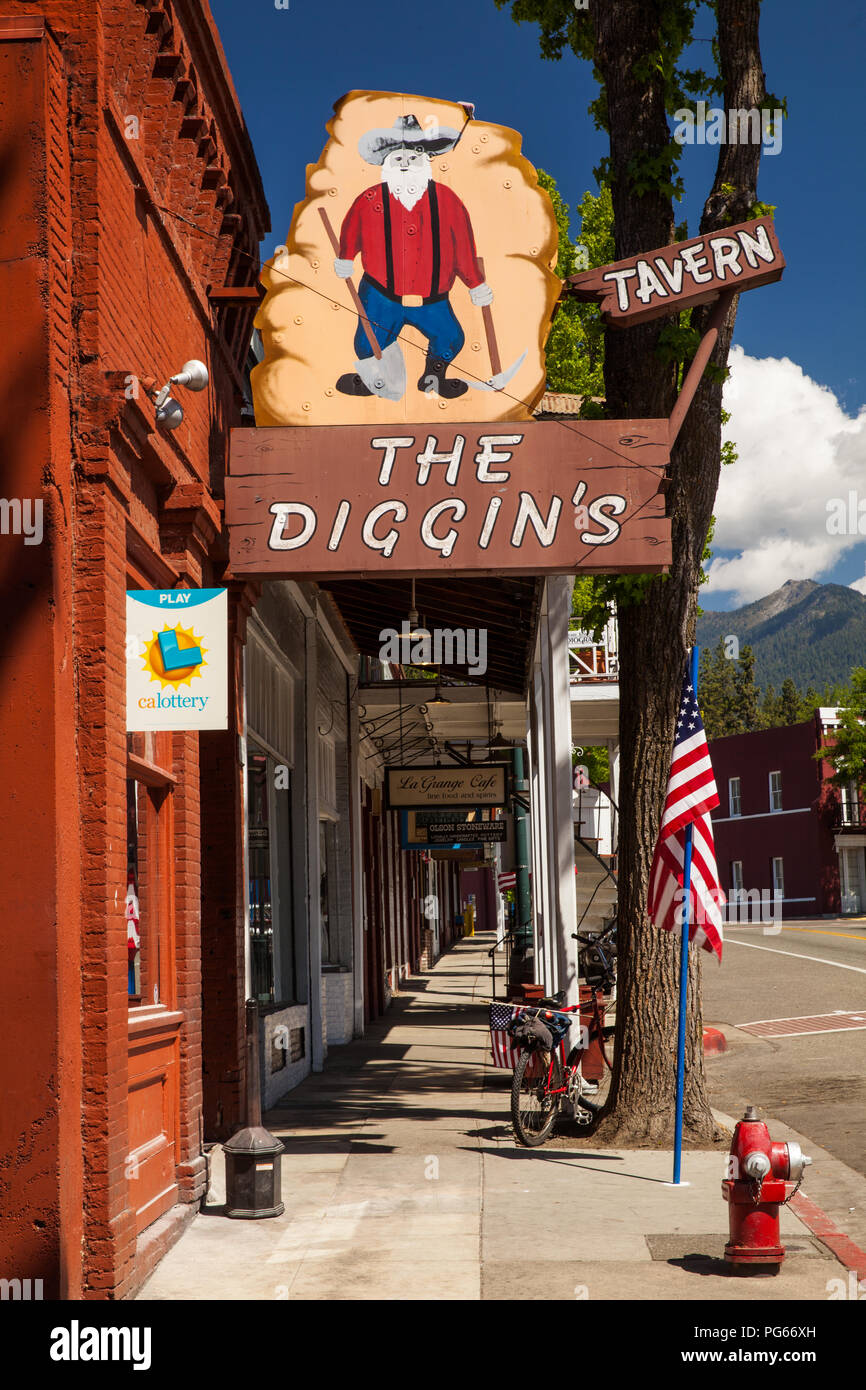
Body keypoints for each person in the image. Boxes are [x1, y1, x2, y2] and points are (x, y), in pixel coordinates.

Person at [334, 113, 493, 399]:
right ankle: (373, 379)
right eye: (398, 158)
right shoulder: (369, 200)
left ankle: (434, 375)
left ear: (426, 161)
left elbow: (464, 249)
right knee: (367, 341)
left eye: (413, 157)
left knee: (451, 337)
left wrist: (476, 284)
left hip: (433, 300)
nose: (405, 163)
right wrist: (345, 257)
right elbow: (351, 230)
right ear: (386, 163)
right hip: (381, 294)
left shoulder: (447, 201)